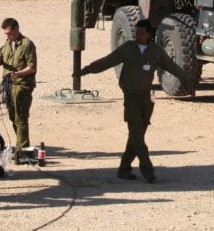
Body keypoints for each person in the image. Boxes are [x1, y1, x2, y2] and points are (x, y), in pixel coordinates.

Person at [79, 18, 191, 183]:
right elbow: (107, 61)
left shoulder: (156, 52)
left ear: (148, 35)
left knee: (136, 136)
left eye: (141, 33)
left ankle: (124, 169)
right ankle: (148, 171)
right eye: (137, 33)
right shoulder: (128, 49)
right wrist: (86, 70)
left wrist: (187, 81)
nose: (138, 36)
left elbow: (171, 67)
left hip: (146, 98)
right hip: (130, 97)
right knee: (138, 137)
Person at [0, 17, 37, 151]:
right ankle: (21, 145)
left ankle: (22, 149)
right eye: (6, 34)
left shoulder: (26, 44)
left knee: (21, 117)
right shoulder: (6, 45)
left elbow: (32, 67)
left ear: (16, 29)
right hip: (8, 85)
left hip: (22, 85)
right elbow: (1, 59)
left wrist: (18, 74)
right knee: (13, 116)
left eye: (9, 33)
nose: (8, 36)